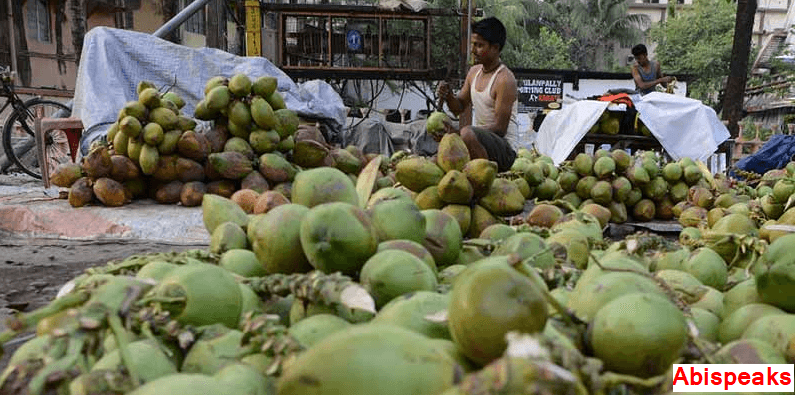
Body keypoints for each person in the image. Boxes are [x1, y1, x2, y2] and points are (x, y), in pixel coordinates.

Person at [436, 17, 517, 172]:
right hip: (477, 142)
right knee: (436, 160)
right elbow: (458, 107)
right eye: (473, 44)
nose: (473, 50)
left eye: (479, 45)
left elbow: (500, 128)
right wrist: (448, 96)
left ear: (495, 48)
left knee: (466, 133)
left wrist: (459, 134)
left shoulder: (505, 79)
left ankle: (486, 179)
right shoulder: (474, 72)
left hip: (505, 151)